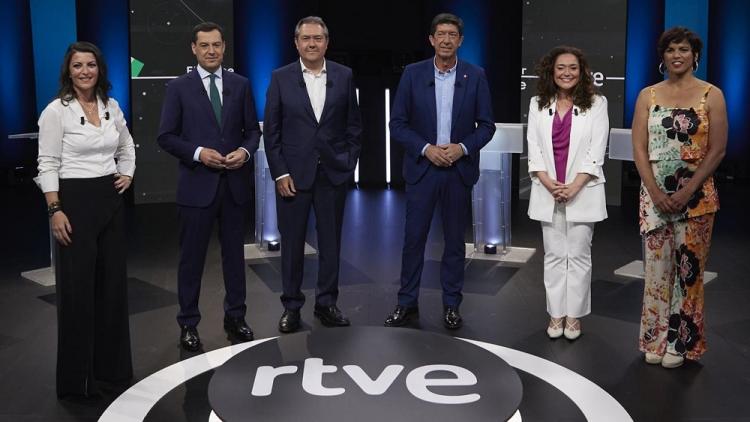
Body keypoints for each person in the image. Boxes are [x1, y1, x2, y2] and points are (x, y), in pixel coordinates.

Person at [36, 41, 135, 398]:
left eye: (90, 65)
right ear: (69, 71)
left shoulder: (112, 106)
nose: (84, 71)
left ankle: (112, 370)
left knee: (111, 290)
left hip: (110, 202)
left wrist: (127, 172)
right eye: (78, 66)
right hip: (73, 204)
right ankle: (77, 381)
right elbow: (47, 162)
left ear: (99, 70)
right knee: (78, 294)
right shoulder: (55, 112)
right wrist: (55, 208)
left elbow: (127, 147)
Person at [384, 13, 495, 329]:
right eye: (440, 34)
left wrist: (461, 148)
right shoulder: (413, 74)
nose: (446, 39)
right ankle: (407, 304)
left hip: (458, 171)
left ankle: (451, 306)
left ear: (460, 41)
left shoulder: (475, 76)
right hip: (423, 169)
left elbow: (486, 125)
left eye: (452, 34)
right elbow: (398, 124)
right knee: (413, 240)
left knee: (454, 243)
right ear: (431, 40)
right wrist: (426, 148)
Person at [158, 22, 261, 351]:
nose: (212, 50)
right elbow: (166, 136)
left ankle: (236, 316)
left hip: (233, 186)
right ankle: (188, 323)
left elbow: (252, 132)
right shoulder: (178, 88)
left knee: (234, 258)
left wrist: (244, 152)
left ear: (224, 47)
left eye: (216, 45)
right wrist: (199, 153)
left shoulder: (241, 85)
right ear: (194, 49)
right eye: (205, 45)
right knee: (191, 261)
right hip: (196, 188)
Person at [632, 27, 727, 368]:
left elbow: (717, 150)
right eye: (671, 49)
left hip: (697, 197)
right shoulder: (648, 95)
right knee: (657, 273)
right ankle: (654, 339)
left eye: (683, 49)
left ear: (694, 55)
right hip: (654, 196)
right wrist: (655, 191)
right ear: (663, 56)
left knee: (688, 273)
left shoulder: (710, 94)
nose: (677, 55)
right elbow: (639, 148)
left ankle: (680, 342)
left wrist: (687, 189)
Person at [264, 16, 362, 333]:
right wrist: (280, 173)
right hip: (294, 176)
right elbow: (272, 132)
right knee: (292, 245)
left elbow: (354, 127)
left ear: (326, 42)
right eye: (305, 38)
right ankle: (291, 307)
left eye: (317, 38)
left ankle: (326, 304)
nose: (311, 44)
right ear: (296, 43)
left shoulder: (344, 76)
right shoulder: (280, 78)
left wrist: (347, 163)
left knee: (331, 245)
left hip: (332, 174)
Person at [526, 46, 609, 341]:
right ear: (551, 71)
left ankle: (574, 316)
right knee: (553, 255)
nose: (567, 73)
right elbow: (533, 148)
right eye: (561, 67)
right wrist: (549, 183)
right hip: (547, 189)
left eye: (573, 67)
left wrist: (574, 186)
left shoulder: (597, 103)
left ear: (581, 71)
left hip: (583, 190)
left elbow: (596, 151)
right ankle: (555, 314)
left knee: (578, 255)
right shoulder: (538, 103)